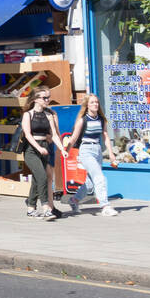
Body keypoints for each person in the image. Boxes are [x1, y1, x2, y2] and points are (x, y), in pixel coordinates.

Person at [64, 94, 119, 217]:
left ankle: (74, 200)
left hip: (97, 150)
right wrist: (66, 151)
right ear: (87, 105)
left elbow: (105, 136)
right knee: (99, 177)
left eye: (97, 102)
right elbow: (73, 138)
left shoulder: (101, 119)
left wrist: (111, 153)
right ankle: (105, 206)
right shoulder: (82, 120)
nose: (95, 104)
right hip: (86, 150)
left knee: (89, 184)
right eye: (92, 102)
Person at [21, 88, 65, 219]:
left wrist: (62, 149)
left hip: (45, 147)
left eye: (48, 97)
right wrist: (38, 148)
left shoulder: (49, 115)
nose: (47, 100)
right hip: (31, 150)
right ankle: (46, 208)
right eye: (44, 98)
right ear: (36, 99)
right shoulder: (28, 115)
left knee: (36, 179)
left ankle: (30, 207)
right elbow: (28, 135)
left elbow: (55, 135)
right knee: (42, 177)